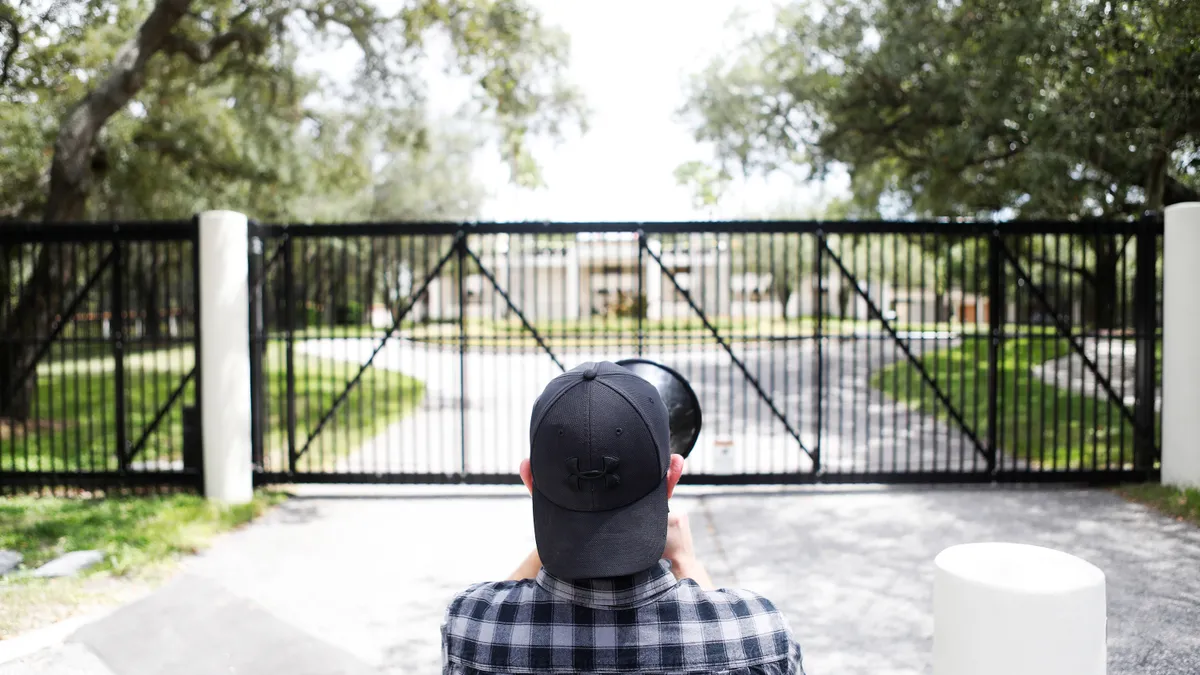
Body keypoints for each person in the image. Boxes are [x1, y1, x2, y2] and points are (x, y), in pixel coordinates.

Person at [441, 361, 805, 674]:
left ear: (528, 479)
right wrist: (685, 560)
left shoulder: (471, 626)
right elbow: (718, 630)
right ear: (672, 476)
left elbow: (501, 604)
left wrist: (559, 533)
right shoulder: (761, 634)